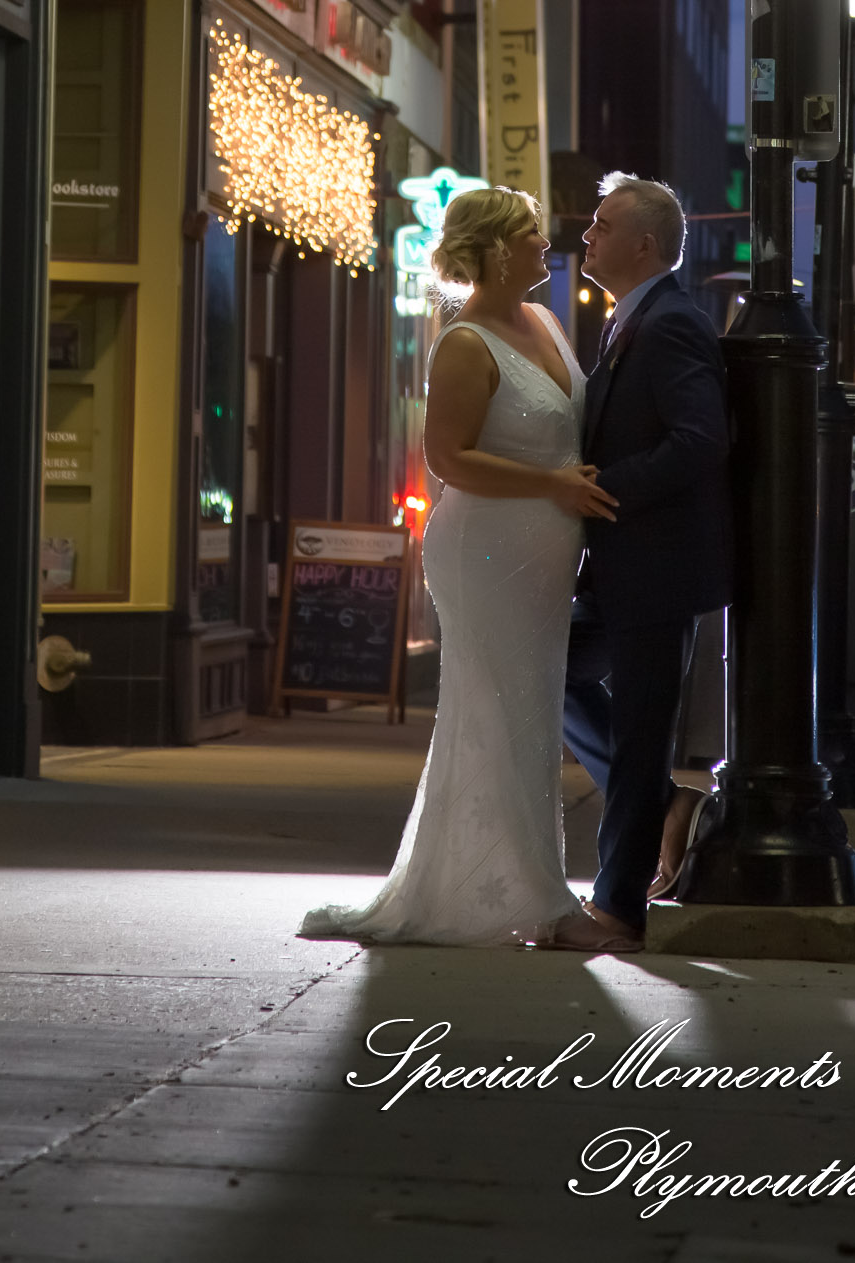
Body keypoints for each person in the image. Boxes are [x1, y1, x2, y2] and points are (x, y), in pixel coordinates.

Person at [299, 187, 616, 948]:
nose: (548, 242)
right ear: (498, 248)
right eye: (531, 232)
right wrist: (552, 483)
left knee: (529, 716)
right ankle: (547, 903)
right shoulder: (466, 342)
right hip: (484, 550)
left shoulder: (541, 321)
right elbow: (447, 459)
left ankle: (508, 885)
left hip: (543, 552)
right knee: (511, 715)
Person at [561, 173, 733, 951]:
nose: (585, 237)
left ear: (645, 245)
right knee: (545, 670)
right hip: (616, 569)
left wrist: (604, 490)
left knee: (638, 732)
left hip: (656, 570)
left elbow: (701, 441)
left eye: (600, 226)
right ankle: (668, 802)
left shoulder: (670, 324)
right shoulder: (627, 321)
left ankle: (618, 911)